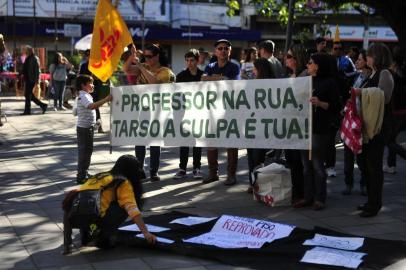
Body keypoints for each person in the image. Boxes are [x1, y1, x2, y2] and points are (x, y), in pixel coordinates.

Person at [63, 155, 156, 252]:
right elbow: (132, 208)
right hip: (95, 218)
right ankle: (104, 237)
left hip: (76, 216)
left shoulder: (101, 176)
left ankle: (88, 235)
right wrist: (146, 233)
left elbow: (77, 200)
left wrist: (67, 244)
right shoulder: (122, 181)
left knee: (101, 204)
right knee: (122, 206)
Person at [294, 53, 341, 211]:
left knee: (317, 164)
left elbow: (336, 107)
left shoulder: (329, 83)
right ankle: (308, 196)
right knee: (305, 165)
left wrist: (320, 103)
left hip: (320, 128)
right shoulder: (306, 80)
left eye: (311, 62)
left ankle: (320, 198)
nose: (307, 64)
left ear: (318, 65)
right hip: (303, 128)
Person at [123, 43, 175, 182]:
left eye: (150, 56)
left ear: (157, 56)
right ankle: (139, 169)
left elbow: (154, 82)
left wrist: (140, 66)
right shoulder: (144, 67)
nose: (146, 59)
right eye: (145, 56)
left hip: (158, 111)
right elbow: (126, 70)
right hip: (142, 109)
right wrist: (132, 56)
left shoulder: (166, 71)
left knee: (155, 141)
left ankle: (154, 171)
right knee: (140, 140)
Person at [355, 43, 394, 217]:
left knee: (374, 166)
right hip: (369, 126)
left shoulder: (384, 73)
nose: (367, 58)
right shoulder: (372, 73)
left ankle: (374, 204)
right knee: (366, 165)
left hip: (378, 128)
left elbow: (383, 98)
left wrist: (361, 93)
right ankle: (370, 200)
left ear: (377, 57)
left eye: (369, 55)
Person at [201, 39, 240, 186]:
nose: (223, 50)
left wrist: (214, 79)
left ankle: (231, 175)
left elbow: (232, 83)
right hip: (212, 110)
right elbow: (203, 79)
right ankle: (213, 173)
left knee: (231, 142)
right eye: (220, 48)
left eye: (226, 48)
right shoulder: (210, 66)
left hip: (230, 110)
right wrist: (221, 78)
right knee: (211, 141)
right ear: (215, 51)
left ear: (229, 51)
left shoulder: (235, 67)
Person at [342, 49, 371, 196]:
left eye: (360, 59)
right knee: (347, 156)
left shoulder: (371, 79)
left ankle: (364, 184)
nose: (357, 61)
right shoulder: (357, 76)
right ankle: (348, 183)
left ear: (367, 61)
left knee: (361, 157)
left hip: (362, 121)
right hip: (351, 118)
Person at [173, 49, 204, 179]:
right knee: (184, 141)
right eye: (187, 60)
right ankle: (182, 168)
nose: (189, 63)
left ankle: (197, 168)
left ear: (197, 61)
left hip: (199, 112)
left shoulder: (203, 75)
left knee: (197, 142)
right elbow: (175, 95)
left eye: (192, 60)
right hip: (184, 112)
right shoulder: (180, 76)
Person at [75, 74, 112, 184]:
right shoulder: (83, 96)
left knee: (88, 151)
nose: (93, 85)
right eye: (90, 83)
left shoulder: (86, 95)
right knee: (84, 152)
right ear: (83, 85)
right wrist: (106, 100)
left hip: (88, 128)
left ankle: (84, 172)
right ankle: (81, 175)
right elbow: (91, 106)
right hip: (84, 130)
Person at [284, 43, 308, 203]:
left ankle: (301, 194)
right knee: (292, 160)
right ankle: (297, 192)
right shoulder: (291, 76)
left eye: (289, 56)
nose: (286, 59)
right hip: (289, 125)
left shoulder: (305, 76)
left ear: (297, 59)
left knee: (299, 162)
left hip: (299, 126)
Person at [246, 58, 274, 193]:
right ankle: (252, 183)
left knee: (258, 157)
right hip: (251, 125)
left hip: (262, 127)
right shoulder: (252, 84)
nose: (253, 70)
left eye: (255, 68)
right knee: (251, 155)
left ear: (261, 70)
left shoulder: (272, 85)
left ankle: (258, 183)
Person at [383, 46, 406, 174]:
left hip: (396, 110)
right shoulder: (401, 71)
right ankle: (391, 165)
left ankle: (392, 164)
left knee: (389, 140)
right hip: (401, 109)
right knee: (392, 139)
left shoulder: (393, 73)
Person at [78, 49, 106, 133]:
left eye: (90, 56)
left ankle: (99, 125)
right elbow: (80, 78)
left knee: (95, 107)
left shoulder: (97, 65)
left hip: (94, 88)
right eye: (88, 56)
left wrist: (95, 76)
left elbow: (101, 78)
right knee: (87, 107)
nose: (89, 57)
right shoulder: (84, 66)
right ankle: (88, 125)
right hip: (85, 89)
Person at [21, 45, 47, 115]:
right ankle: (43, 105)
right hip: (27, 79)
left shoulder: (34, 58)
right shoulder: (27, 58)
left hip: (31, 79)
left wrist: (37, 80)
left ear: (29, 50)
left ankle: (27, 111)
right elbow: (25, 68)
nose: (24, 51)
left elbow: (37, 71)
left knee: (28, 95)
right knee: (29, 95)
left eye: (25, 50)